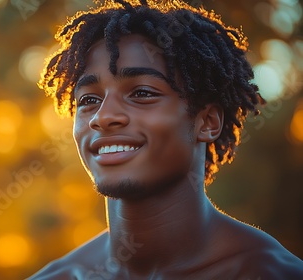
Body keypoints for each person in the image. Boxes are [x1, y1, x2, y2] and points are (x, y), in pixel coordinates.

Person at [28, 0, 303, 279]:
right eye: (89, 99)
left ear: (207, 122)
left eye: (142, 93)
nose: (104, 116)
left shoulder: (273, 273)